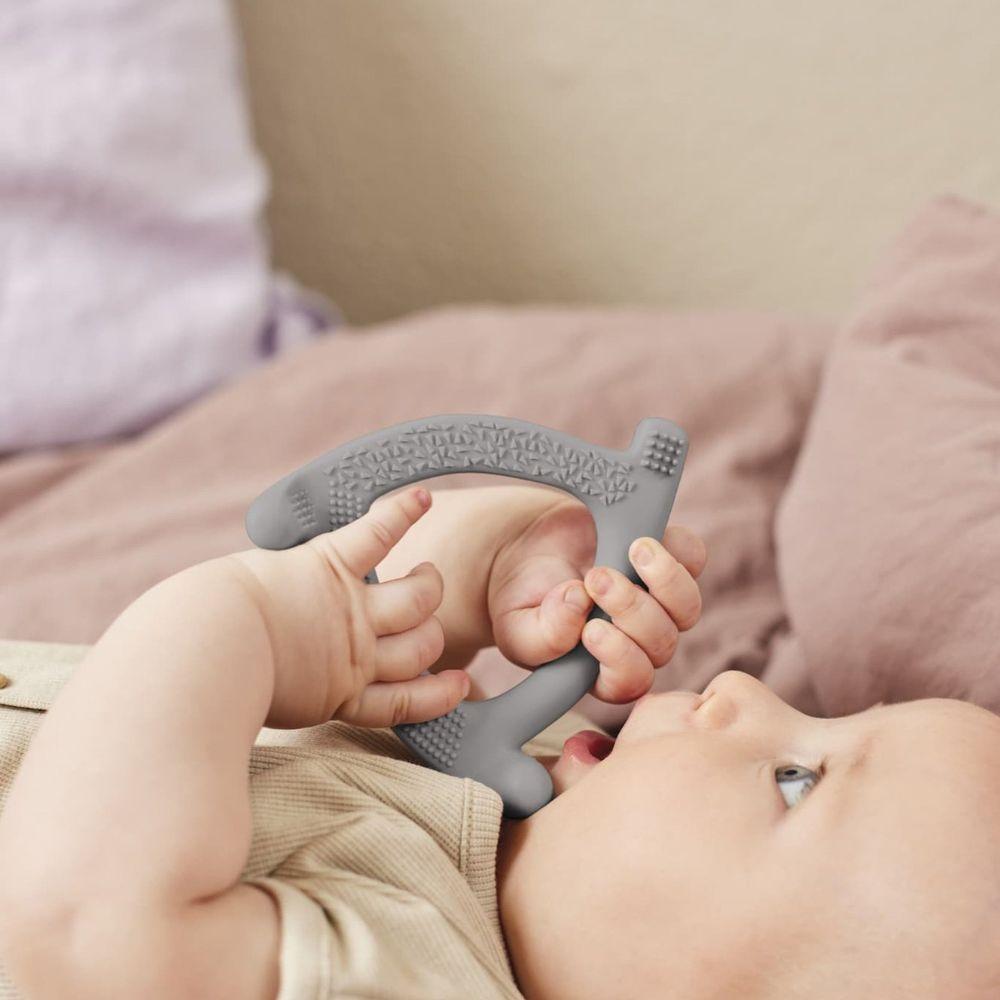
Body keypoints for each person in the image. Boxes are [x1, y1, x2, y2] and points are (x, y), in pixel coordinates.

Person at [0, 484, 997, 998]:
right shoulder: (539, 799)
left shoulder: (412, 977)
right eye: (841, 710)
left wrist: (241, 617)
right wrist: (493, 574)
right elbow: (370, 642)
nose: (742, 690)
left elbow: (82, 941)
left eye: (795, 779)